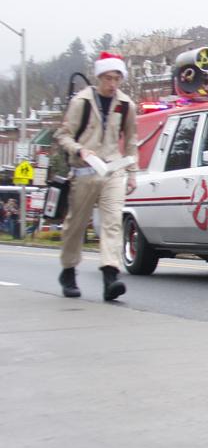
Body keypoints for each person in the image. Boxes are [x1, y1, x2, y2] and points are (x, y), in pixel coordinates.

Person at [54, 52, 138, 300]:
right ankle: (68, 271)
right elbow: (63, 135)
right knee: (76, 226)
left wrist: (132, 173)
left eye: (117, 78)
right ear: (99, 77)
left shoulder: (126, 105)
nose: (112, 84)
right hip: (84, 170)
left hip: (112, 170)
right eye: (108, 78)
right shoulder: (82, 101)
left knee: (113, 222)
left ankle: (110, 276)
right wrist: (79, 149)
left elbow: (131, 141)